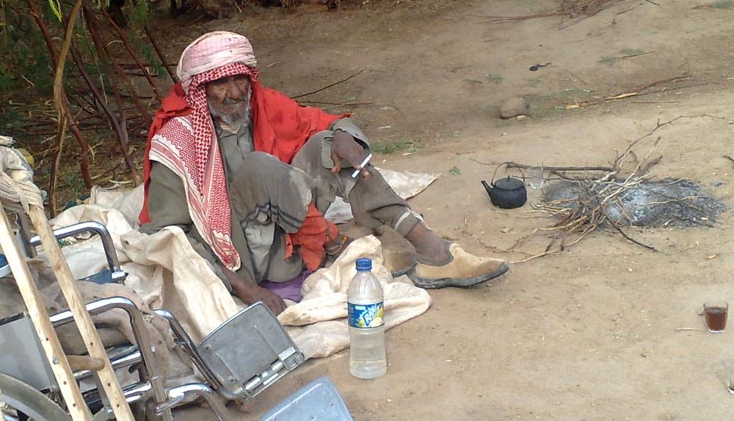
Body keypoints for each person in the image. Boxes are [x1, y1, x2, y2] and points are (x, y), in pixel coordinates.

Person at [139, 31, 508, 315]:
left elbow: (323, 123)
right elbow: (169, 237)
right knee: (261, 168)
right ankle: (334, 245)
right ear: (200, 89)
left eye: (240, 81)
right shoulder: (178, 142)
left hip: (287, 237)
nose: (234, 93)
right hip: (242, 258)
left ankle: (431, 249)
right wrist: (242, 288)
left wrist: (343, 136)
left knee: (326, 144)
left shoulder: (263, 105)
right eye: (220, 84)